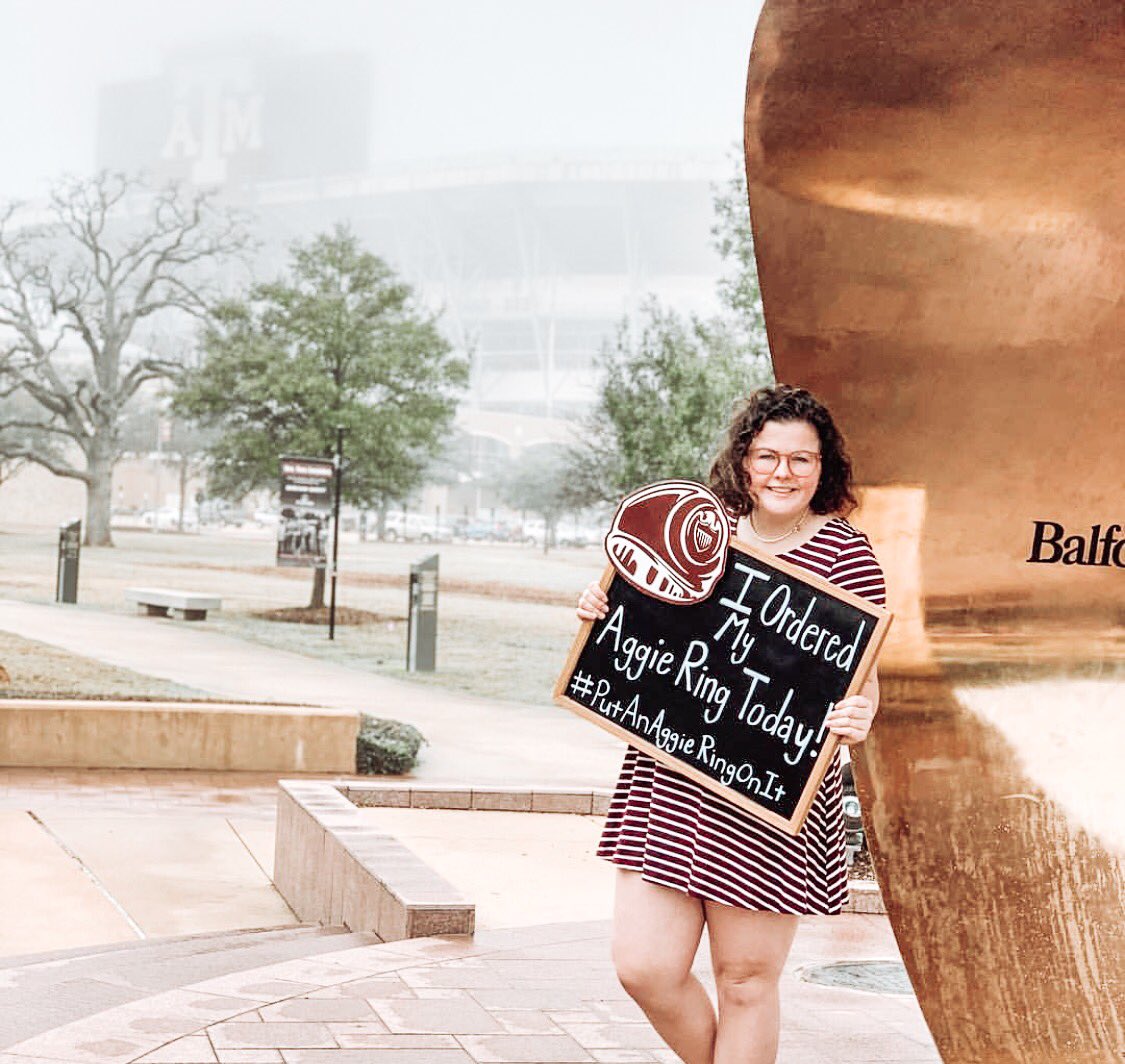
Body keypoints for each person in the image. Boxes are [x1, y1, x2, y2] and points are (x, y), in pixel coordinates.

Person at [576, 384, 886, 1064]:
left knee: (745, 984)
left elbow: (862, 678)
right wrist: (602, 614)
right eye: (767, 455)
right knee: (644, 968)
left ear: (822, 468)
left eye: (800, 460)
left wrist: (860, 713)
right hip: (672, 780)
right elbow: (642, 627)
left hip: (768, 795)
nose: (782, 472)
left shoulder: (846, 557)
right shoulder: (695, 527)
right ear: (743, 460)